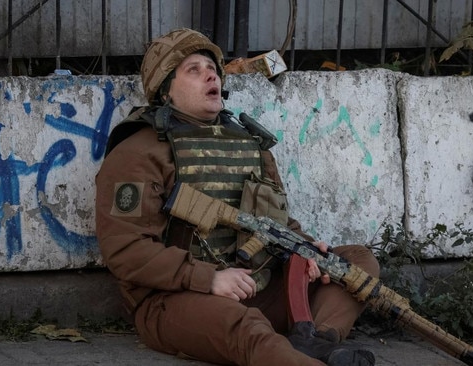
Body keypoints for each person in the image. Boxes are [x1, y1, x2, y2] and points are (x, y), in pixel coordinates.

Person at [95, 28, 381, 366]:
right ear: (166, 90)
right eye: (193, 69)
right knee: (244, 329)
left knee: (356, 263)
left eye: (212, 67)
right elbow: (126, 250)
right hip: (176, 300)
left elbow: (275, 221)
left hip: (257, 286)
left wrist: (305, 249)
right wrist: (209, 279)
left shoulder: (249, 144)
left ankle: (316, 340)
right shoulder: (138, 152)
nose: (210, 73)